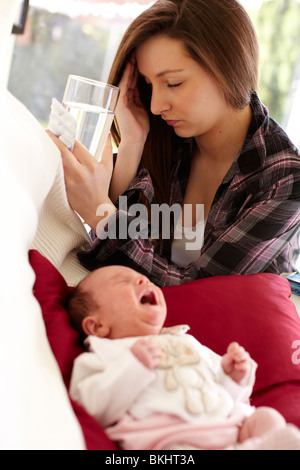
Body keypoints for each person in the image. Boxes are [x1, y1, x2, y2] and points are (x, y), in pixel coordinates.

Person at [48, 0, 300, 287]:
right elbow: (127, 250)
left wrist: (101, 215)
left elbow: (193, 288)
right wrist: (133, 141)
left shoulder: (284, 178)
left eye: (174, 83)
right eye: (148, 83)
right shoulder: (168, 138)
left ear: (230, 69)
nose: (155, 105)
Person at [68, 264, 300, 450]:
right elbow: (91, 405)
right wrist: (133, 367)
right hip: (173, 439)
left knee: (267, 419)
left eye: (142, 277)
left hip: (229, 425)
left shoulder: (186, 341)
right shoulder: (104, 354)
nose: (143, 279)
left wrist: (233, 377)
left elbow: (226, 395)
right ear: (97, 327)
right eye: (122, 281)